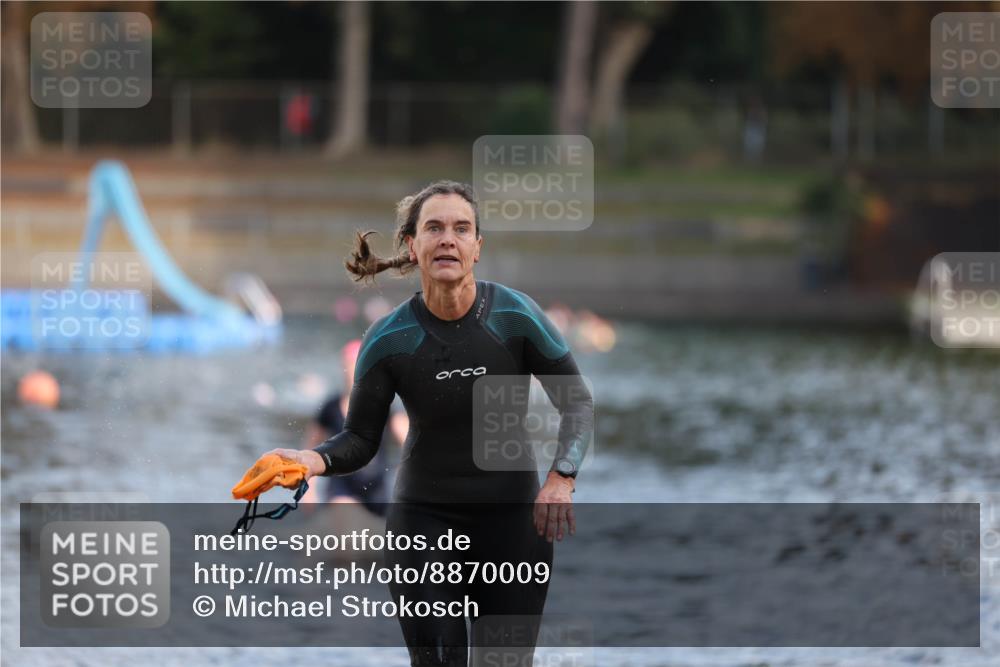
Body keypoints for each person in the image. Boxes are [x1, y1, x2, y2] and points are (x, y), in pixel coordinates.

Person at [263, 180, 593, 666]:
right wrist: (312, 459)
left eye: (462, 229)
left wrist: (562, 478)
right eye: (433, 228)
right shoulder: (390, 338)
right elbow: (360, 439)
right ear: (411, 247)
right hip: (423, 523)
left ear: (478, 247)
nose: (448, 239)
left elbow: (578, 402)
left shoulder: (515, 316)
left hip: (515, 524)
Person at [300, 339, 408, 516]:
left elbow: (413, 443)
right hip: (340, 489)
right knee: (344, 512)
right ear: (344, 368)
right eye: (350, 366)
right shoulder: (330, 408)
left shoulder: (384, 406)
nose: (354, 372)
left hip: (376, 492)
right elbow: (309, 448)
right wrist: (308, 487)